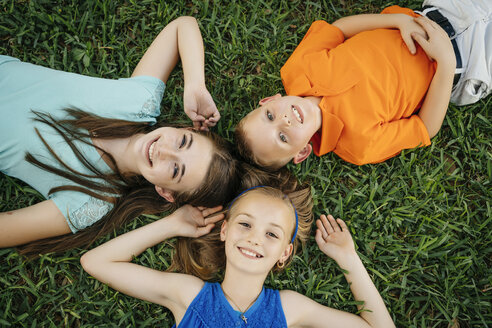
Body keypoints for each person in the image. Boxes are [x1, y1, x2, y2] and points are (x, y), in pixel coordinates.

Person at [0, 16, 240, 256]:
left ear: (166, 193)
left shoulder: (91, 199)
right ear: (186, 129)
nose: (164, 151)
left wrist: (170, 225)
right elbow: (183, 25)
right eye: (182, 142)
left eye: (176, 170)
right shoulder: (137, 103)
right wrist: (195, 86)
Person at [81, 186, 395, 327]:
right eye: (245, 224)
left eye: (272, 234)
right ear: (225, 231)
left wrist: (348, 259)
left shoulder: (288, 308)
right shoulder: (189, 296)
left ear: (283, 254)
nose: (255, 238)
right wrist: (170, 225)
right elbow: (95, 262)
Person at [235, 1, 492, 170]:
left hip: (439, 14)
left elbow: (339, 30)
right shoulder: (357, 146)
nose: (285, 121)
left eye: (270, 116)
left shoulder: (296, 69)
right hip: (468, 65)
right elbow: (425, 127)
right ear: (302, 151)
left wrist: (398, 22)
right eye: (282, 137)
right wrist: (446, 62)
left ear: (269, 100)